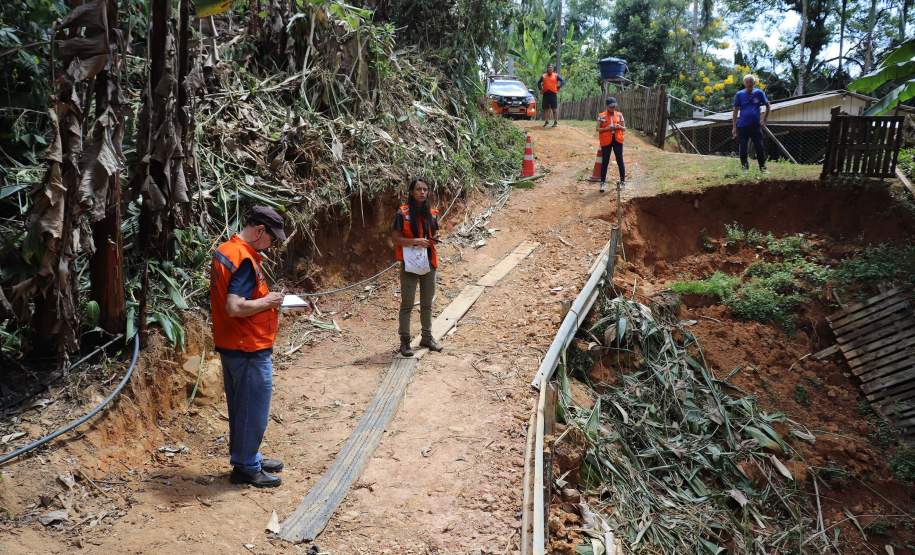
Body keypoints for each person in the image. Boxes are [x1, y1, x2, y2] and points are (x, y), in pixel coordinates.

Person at [210, 206, 287, 488]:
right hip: (248, 347)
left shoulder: (228, 250)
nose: (272, 244)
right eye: (271, 238)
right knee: (252, 408)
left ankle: (248, 456)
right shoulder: (243, 259)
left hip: (234, 343)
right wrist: (270, 302)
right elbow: (235, 305)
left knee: (242, 406)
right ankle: (246, 466)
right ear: (259, 231)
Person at [391, 177, 443, 357]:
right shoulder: (402, 213)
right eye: (418, 189)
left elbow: (435, 231)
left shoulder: (432, 213)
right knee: (407, 304)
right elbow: (396, 238)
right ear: (412, 192)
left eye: (425, 189)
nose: (422, 192)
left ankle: (427, 337)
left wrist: (435, 237)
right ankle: (405, 342)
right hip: (409, 264)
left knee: (427, 302)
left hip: (429, 262)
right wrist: (414, 242)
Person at [731, 74, 770, 173]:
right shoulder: (739, 94)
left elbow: (768, 106)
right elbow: (735, 111)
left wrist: (764, 119)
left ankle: (763, 169)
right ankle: (745, 169)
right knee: (743, 149)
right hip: (742, 126)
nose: (749, 84)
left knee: (759, 147)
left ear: (754, 83)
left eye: (751, 82)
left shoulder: (759, 93)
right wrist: (734, 127)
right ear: (744, 83)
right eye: (747, 82)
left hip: (756, 126)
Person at [596, 97, 626, 193]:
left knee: (620, 160)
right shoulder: (601, 115)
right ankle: (602, 183)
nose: (613, 108)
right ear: (607, 106)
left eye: (614, 106)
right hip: (606, 140)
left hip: (617, 140)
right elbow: (598, 129)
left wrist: (619, 126)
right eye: (611, 107)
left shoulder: (620, 115)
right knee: (605, 161)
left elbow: (624, 128)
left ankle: (622, 182)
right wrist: (607, 128)